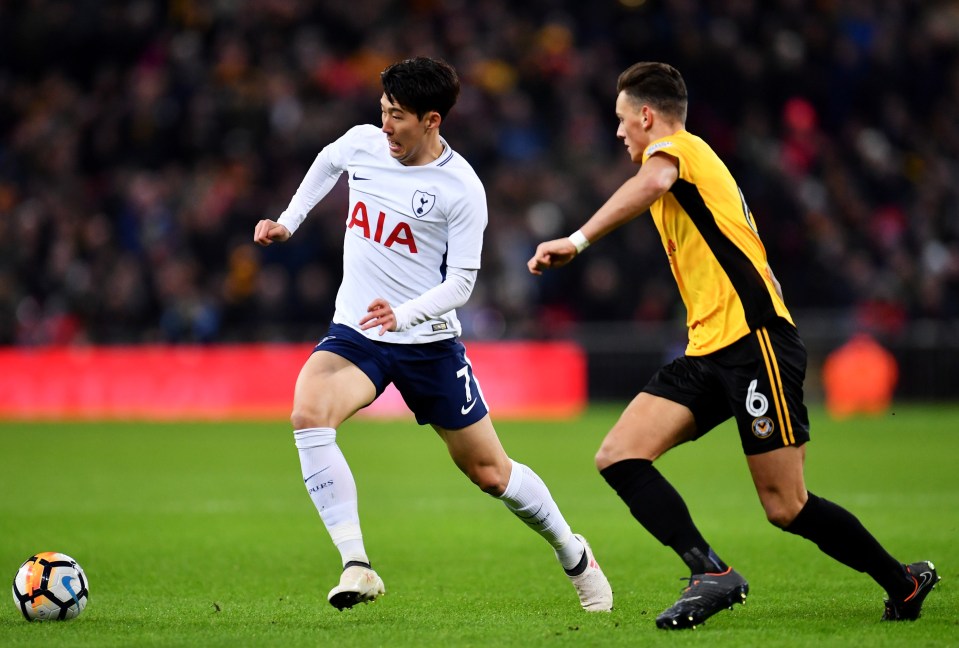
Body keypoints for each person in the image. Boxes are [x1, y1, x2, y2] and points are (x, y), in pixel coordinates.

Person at [527, 61, 939, 629]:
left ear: (647, 116)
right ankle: (710, 572)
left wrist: (577, 240)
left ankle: (904, 582)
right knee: (619, 455)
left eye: (622, 120)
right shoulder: (683, 163)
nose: (618, 131)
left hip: (755, 340)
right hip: (707, 351)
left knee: (785, 506)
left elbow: (651, 184)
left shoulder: (678, 152)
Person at [253, 56, 612, 613]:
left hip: (428, 344)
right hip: (359, 332)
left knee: (491, 473)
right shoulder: (363, 145)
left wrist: (404, 314)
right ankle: (357, 564)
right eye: (383, 111)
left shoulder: (461, 187)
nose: (385, 125)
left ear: (432, 120)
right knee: (308, 412)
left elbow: (463, 283)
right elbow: (328, 162)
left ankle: (574, 553)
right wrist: (288, 221)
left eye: (397, 116)